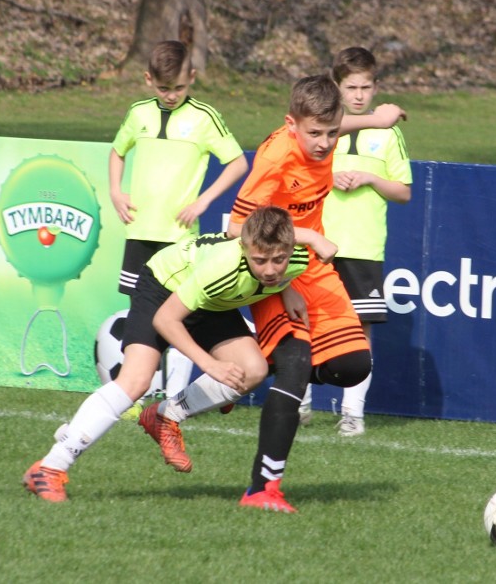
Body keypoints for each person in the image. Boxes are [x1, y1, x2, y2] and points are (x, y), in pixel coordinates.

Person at [142, 75, 379, 513]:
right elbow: (238, 229)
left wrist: (376, 118)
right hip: (275, 267)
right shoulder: (275, 157)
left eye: (333, 132)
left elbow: (333, 124)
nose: (325, 143)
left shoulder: (322, 132)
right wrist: (304, 235)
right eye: (315, 134)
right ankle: (261, 489)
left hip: (311, 267)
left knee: (353, 365)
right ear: (292, 125)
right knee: (296, 363)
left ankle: (216, 386)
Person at [22, 206, 312, 502]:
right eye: (260, 260)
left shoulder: (298, 260)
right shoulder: (222, 267)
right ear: (243, 248)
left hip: (209, 303)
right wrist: (209, 364)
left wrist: (285, 288)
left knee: (253, 370)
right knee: (135, 382)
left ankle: (165, 415)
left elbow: (280, 269)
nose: (271, 270)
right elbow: (165, 319)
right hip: (163, 288)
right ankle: (49, 468)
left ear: (291, 250)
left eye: (279, 260)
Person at [108, 39, 249, 397]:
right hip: (141, 230)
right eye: (164, 88)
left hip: (180, 236)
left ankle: (174, 395)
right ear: (148, 80)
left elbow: (237, 163)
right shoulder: (139, 112)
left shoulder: (205, 117)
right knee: (140, 313)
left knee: (180, 314)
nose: (171, 95)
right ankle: (143, 390)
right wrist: (115, 190)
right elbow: (117, 151)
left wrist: (204, 201)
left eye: (180, 87)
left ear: (193, 77)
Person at [298, 47, 412, 436]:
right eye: (351, 87)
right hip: (318, 240)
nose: (359, 95)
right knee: (305, 320)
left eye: (366, 87)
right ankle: (300, 400)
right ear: (336, 87)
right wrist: (329, 180)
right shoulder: (322, 129)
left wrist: (370, 179)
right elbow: (299, 174)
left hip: (363, 247)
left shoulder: (388, 133)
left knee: (359, 329)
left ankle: (352, 413)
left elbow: (403, 191)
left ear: (376, 87)